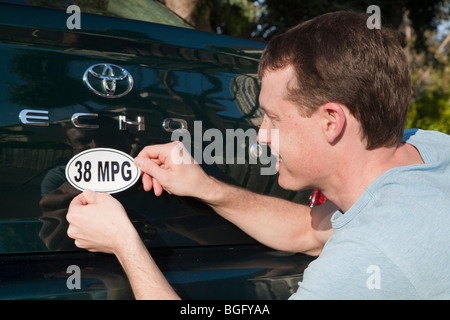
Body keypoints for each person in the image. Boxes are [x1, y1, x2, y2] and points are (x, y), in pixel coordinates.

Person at [66, 11, 450, 299]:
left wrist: (124, 244)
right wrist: (205, 188)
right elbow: (309, 230)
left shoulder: (369, 258)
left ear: (331, 121)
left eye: (273, 118)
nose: (262, 136)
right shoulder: (428, 148)